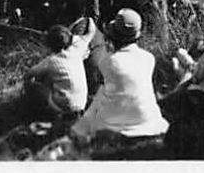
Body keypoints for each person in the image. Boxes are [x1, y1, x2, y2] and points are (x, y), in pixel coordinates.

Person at [71, 9, 169, 144]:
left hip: (120, 130)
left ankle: (77, 131)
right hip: (152, 123)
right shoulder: (149, 58)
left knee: (99, 96)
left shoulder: (108, 61)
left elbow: (103, 92)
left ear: (114, 36)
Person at [24, 19, 96, 129]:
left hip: (64, 107)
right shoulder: (77, 50)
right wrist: (89, 19)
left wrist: (27, 84)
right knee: (55, 79)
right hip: (81, 104)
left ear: (50, 44)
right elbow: (91, 32)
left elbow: (29, 74)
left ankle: (35, 114)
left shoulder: (51, 61)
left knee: (34, 86)